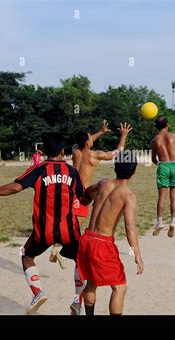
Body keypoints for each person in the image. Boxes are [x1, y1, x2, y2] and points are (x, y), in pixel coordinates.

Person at [0, 133, 85, 315]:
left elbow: (15, 187)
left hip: (44, 231)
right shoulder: (72, 172)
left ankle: (38, 292)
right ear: (63, 151)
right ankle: (76, 300)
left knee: (26, 256)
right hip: (69, 230)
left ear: (45, 151)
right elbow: (83, 196)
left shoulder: (39, 169)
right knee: (81, 261)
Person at [49, 120, 132, 315]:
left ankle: (59, 246)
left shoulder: (75, 150)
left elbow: (85, 141)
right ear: (88, 142)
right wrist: (123, 136)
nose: (91, 139)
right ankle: (59, 247)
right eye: (90, 138)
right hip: (81, 196)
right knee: (78, 242)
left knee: (75, 234)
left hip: (66, 194)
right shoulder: (94, 156)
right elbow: (116, 153)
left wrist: (100, 132)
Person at [77, 152, 144, 315]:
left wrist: (86, 201)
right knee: (120, 287)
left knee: (91, 282)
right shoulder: (128, 195)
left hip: (86, 239)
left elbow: (85, 194)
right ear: (134, 172)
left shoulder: (103, 184)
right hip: (102, 243)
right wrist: (137, 254)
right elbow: (130, 228)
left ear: (115, 167)